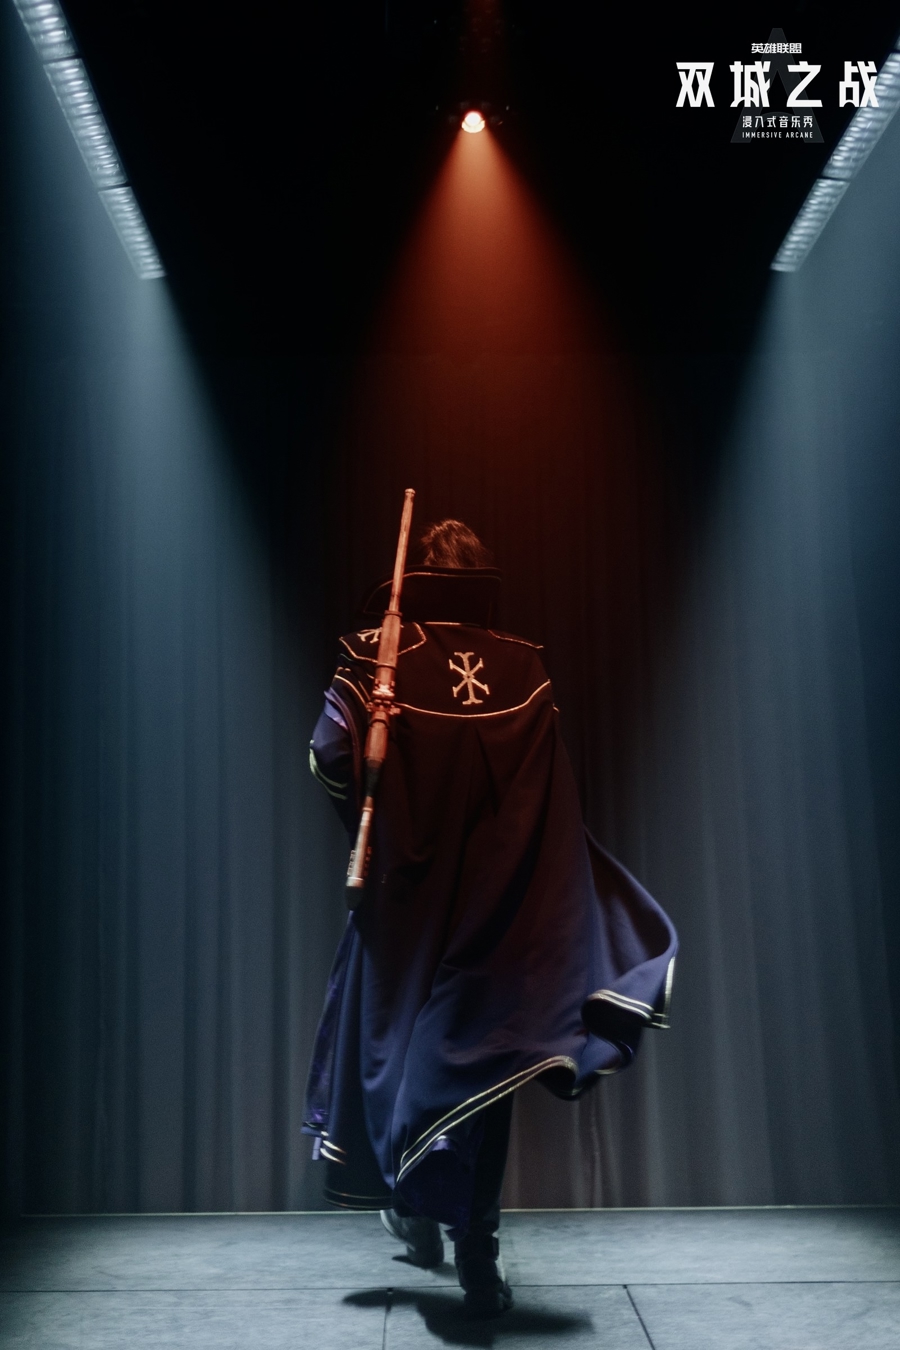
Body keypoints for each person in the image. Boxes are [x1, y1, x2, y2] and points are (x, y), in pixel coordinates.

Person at [304, 519, 677, 1318]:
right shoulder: (523, 667)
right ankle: (475, 1251)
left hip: (409, 911)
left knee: (399, 1053)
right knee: (483, 1074)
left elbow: (329, 756)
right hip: (499, 912)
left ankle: (424, 1212)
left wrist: (378, 823)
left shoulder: (379, 659)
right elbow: (550, 799)